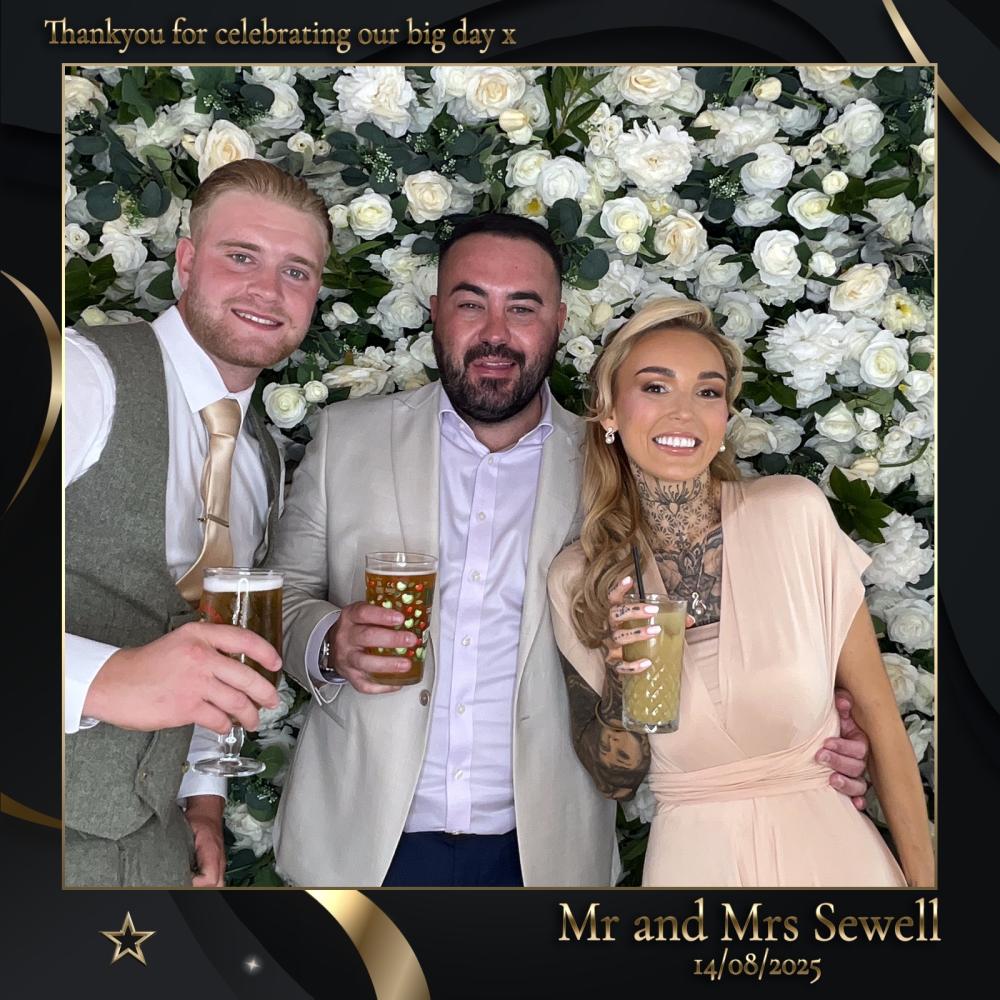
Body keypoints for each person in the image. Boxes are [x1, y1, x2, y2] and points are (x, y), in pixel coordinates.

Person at [267, 215, 869, 887]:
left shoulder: (619, 463)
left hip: (547, 854)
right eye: (471, 303)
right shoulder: (347, 438)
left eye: (523, 308)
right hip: (358, 842)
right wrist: (328, 641)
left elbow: (728, 618)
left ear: (558, 320)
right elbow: (280, 596)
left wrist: (817, 736)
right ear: (435, 311)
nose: (496, 332)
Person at [546, 297, 935, 887]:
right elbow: (615, 782)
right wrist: (622, 685)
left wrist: (928, 897)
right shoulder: (582, 577)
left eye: (707, 392)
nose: (684, 413)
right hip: (692, 870)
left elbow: (879, 719)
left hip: (837, 861)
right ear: (608, 410)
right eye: (655, 387)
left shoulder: (794, 513)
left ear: (726, 415)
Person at [64, 159, 331, 886]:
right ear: (186, 262)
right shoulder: (81, 377)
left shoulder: (261, 460)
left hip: (151, 851)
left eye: (296, 271)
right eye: (241, 256)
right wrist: (104, 679)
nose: (268, 291)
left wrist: (202, 803)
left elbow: (218, 644)